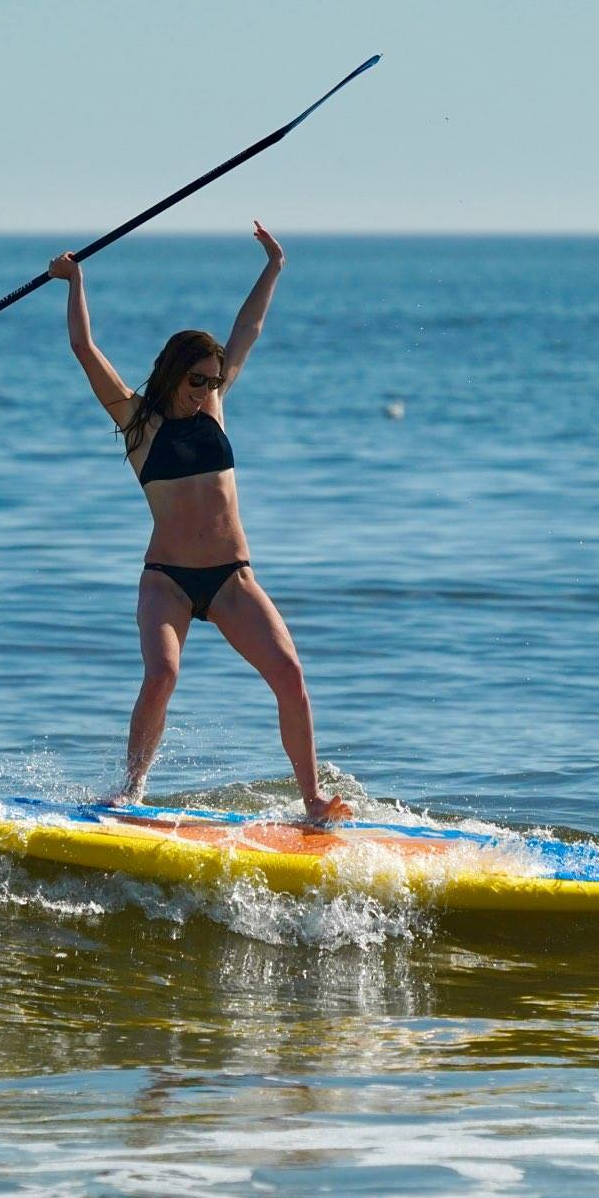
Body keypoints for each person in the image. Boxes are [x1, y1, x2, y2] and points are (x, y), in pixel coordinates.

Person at [48, 221, 352, 822]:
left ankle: (313, 801)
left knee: (290, 673)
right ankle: (132, 788)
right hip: (167, 581)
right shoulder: (138, 424)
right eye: (197, 379)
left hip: (231, 579)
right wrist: (74, 280)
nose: (207, 388)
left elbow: (249, 329)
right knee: (162, 673)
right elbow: (86, 349)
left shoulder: (215, 406)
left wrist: (274, 265)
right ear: (172, 371)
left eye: (214, 381)